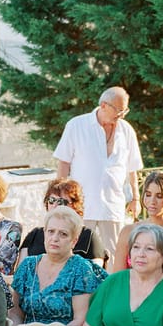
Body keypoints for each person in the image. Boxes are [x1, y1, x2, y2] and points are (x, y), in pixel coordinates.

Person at [54, 86, 143, 263]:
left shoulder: (127, 131)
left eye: (125, 110)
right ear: (104, 105)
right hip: (81, 206)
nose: (122, 115)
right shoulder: (76, 125)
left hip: (114, 206)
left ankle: (113, 291)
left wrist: (136, 199)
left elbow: (132, 169)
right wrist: (59, 199)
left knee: (115, 256)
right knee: (78, 255)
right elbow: (63, 163)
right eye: (119, 110)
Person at [113, 171, 163, 289]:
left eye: (159, 196)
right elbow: (117, 280)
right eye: (148, 194)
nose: (152, 201)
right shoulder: (128, 231)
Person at [16, 178, 105, 266]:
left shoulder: (88, 237)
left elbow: (95, 276)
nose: (55, 205)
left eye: (61, 202)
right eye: (51, 200)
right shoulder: (34, 235)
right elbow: (20, 272)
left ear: (74, 206)